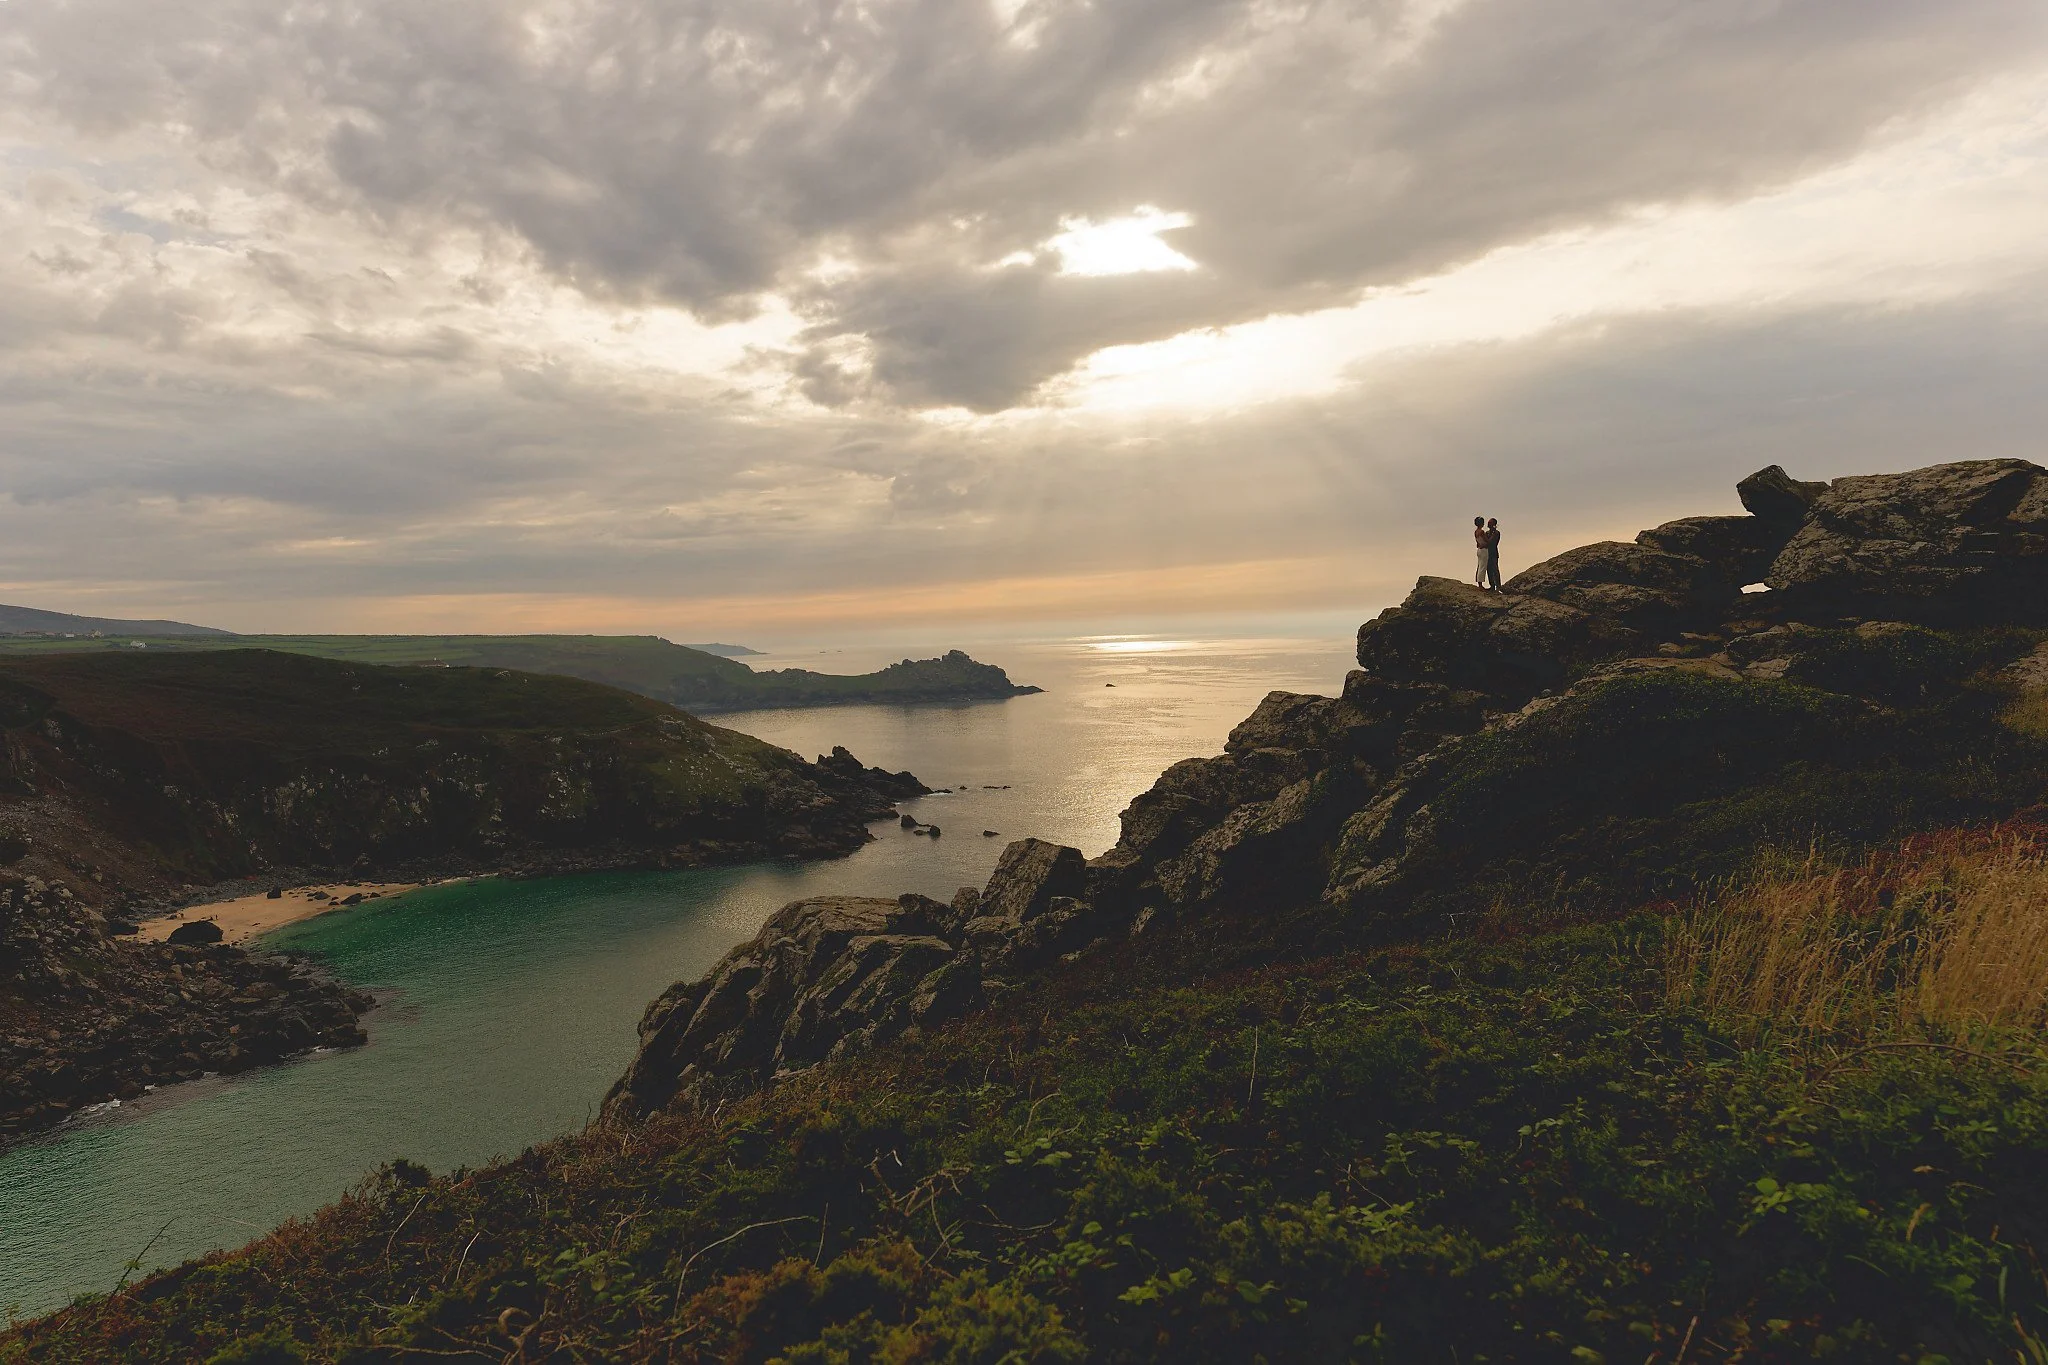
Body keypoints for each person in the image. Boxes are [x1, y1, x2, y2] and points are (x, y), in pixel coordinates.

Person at [1484, 517, 1503, 591]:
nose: (1488, 524)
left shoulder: (1496, 533)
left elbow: (1491, 542)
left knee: (1495, 570)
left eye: (1490, 523)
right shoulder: (1487, 533)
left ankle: (1498, 586)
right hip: (1488, 553)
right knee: (1489, 570)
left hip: (1493, 553)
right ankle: (1492, 585)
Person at [1472, 516, 1490, 589]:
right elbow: (1487, 541)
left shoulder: (1476, 532)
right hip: (1484, 550)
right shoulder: (1482, 532)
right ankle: (1480, 584)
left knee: (1480, 566)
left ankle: (1479, 582)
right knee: (1483, 566)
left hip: (1479, 550)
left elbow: (1477, 543)